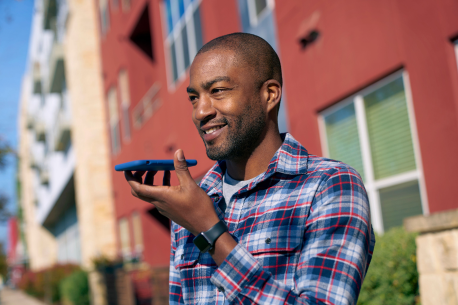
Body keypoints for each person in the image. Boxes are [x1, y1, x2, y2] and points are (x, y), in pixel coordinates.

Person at [124, 33, 375, 305]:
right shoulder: (192, 202)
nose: (200, 112)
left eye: (217, 91)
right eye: (194, 98)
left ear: (269, 95)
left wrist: (209, 231)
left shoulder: (329, 186)